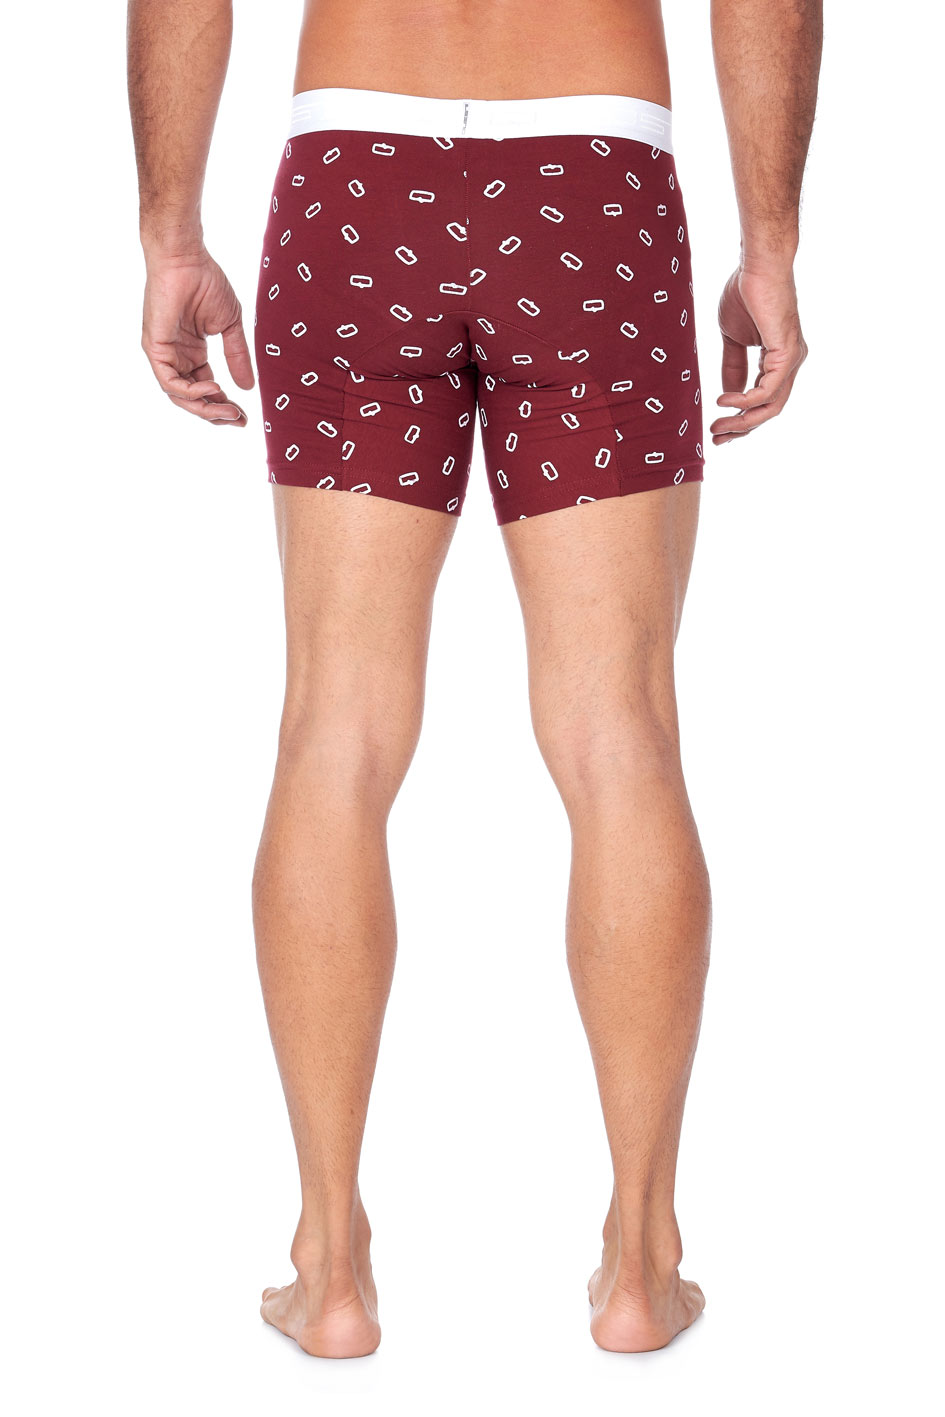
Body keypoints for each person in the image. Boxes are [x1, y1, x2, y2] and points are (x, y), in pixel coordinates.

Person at [128, 0, 822, 1359]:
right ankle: (641, 1260)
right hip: (594, 180)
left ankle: (330, 1263)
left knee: (334, 729)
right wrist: (771, 243)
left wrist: (168, 233)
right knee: (619, 732)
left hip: (356, 177)